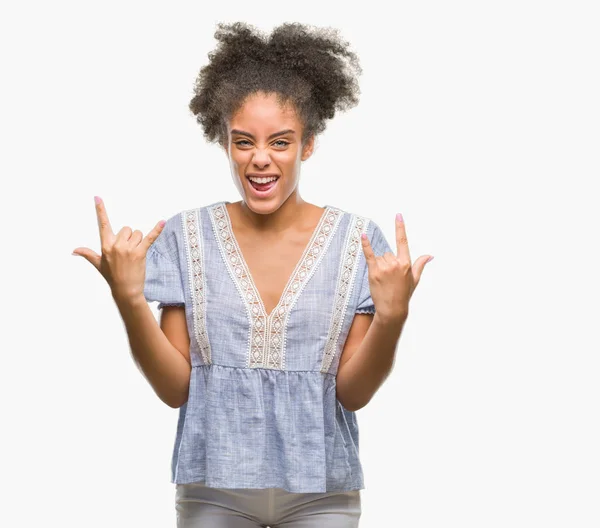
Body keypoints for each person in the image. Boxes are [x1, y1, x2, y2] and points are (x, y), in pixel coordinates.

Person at [73, 21, 433, 528]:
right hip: (211, 491)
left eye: (280, 142)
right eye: (243, 142)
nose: (260, 158)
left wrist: (393, 315)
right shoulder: (186, 236)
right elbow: (176, 389)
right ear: (225, 143)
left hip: (322, 493)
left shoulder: (358, 242)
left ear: (307, 144)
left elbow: (352, 393)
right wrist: (130, 300)